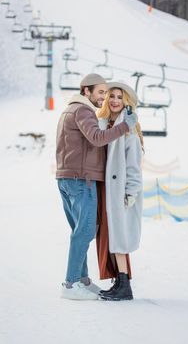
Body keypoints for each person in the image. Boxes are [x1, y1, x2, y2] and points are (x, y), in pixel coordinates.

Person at [56, 74, 138, 300]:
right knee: (85, 231)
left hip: (69, 178)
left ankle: (82, 280)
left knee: (80, 231)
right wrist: (124, 127)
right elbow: (97, 137)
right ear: (86, 91)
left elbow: (131, 162)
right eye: (102, 93)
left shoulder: (70, 111)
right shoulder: (83, 111)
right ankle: (71, 283)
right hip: (81, 180)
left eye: (111, 94)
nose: (105, 98)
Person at [96, 82, 144, 301]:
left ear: (126, 102)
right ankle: (120, 282)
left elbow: (134, 167)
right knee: (112, 236)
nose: (115, 100)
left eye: (119, 97)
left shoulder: (129, 132)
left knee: (119, 237)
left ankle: (124, 285)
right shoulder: (104, 125)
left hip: (119, 192)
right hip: (106, 189)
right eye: (111, 96)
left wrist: (130, 193)